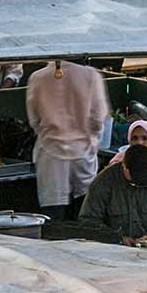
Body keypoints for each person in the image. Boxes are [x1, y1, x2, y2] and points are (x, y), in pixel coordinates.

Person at [28, 59, 110, 214]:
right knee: (84, 211)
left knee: (54, 214)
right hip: (82, 153)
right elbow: (98, 119)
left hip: (50, 154)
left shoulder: (37, 77)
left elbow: (34, 120)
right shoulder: (91, 76)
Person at [81, 142, 147, 242]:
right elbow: (88, 221)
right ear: (124, 166)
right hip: (113, 247)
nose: (139, 182)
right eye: (136, 175)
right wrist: (115, 238)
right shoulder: (103, 182)